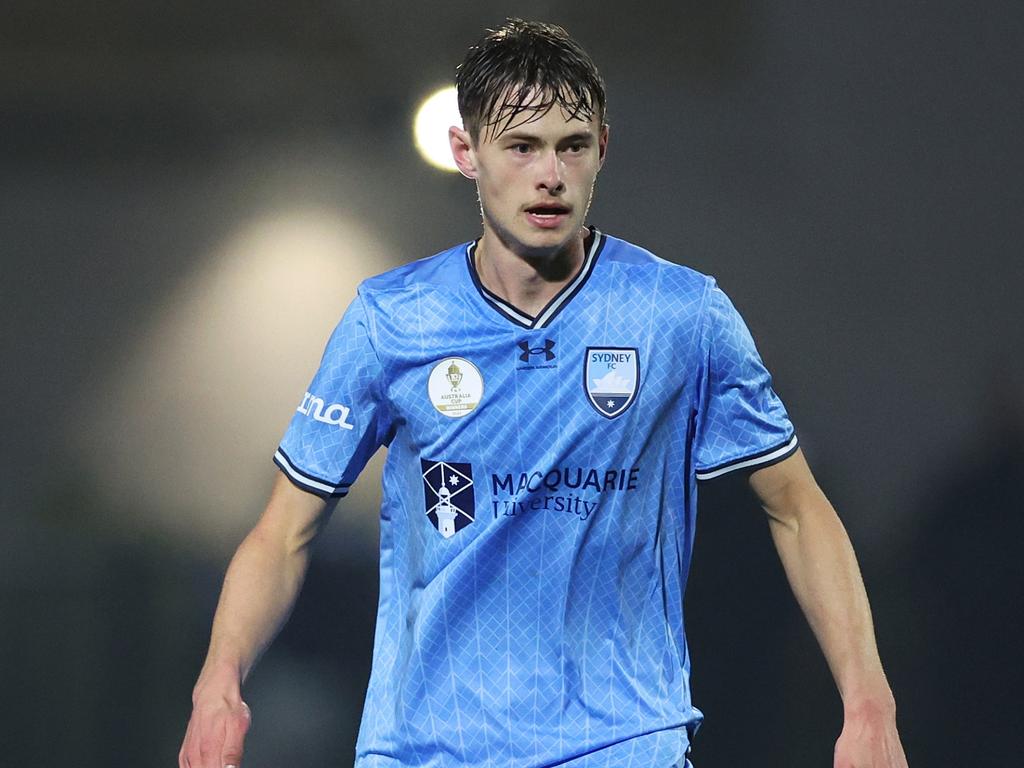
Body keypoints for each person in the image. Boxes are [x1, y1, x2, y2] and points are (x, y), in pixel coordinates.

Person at [179, 18, 908, 768]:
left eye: (572, 146)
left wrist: (868, 703)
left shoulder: (679, 316)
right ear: (467, 153)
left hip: (623, 747)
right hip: (430, 749)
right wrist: (219, 682)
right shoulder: (392, 320)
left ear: (603, 151)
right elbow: (283, 531)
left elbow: (797, 506)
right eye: (522, 147)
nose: (549, 174)